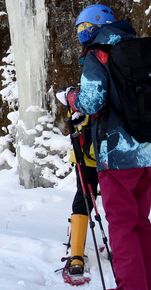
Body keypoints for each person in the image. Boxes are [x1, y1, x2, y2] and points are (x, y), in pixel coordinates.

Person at [58, 4, 151, 289]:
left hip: (117, 157)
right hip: (147, 151)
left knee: (121, 227)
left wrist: (70, 97)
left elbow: (91, 101)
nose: (82, 35)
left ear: (94, 26)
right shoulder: (136, 49)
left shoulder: (98, 53)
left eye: (82, 28)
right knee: (141, 223)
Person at [58, 112, 99, 282]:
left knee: (84, 200)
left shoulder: (88, 92)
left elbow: (72, 114)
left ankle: (76, 258)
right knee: (118, 205)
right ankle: (125, 253)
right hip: (114, 157)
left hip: (86, 156)